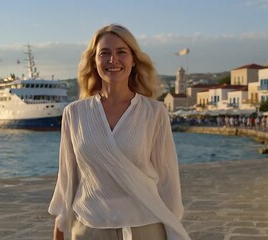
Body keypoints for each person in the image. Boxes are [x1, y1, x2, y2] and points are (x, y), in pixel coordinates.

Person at [48, 24, 190, 240]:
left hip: (146, 228)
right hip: (89, 229)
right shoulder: (74, 113)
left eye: (121, 52)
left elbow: (168, 179)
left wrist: (173, 228)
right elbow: (68, 178)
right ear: (94, 62)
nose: (112, 60)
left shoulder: (154, 112)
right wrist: (60, 226)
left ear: (133, 60)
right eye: (104, 53)